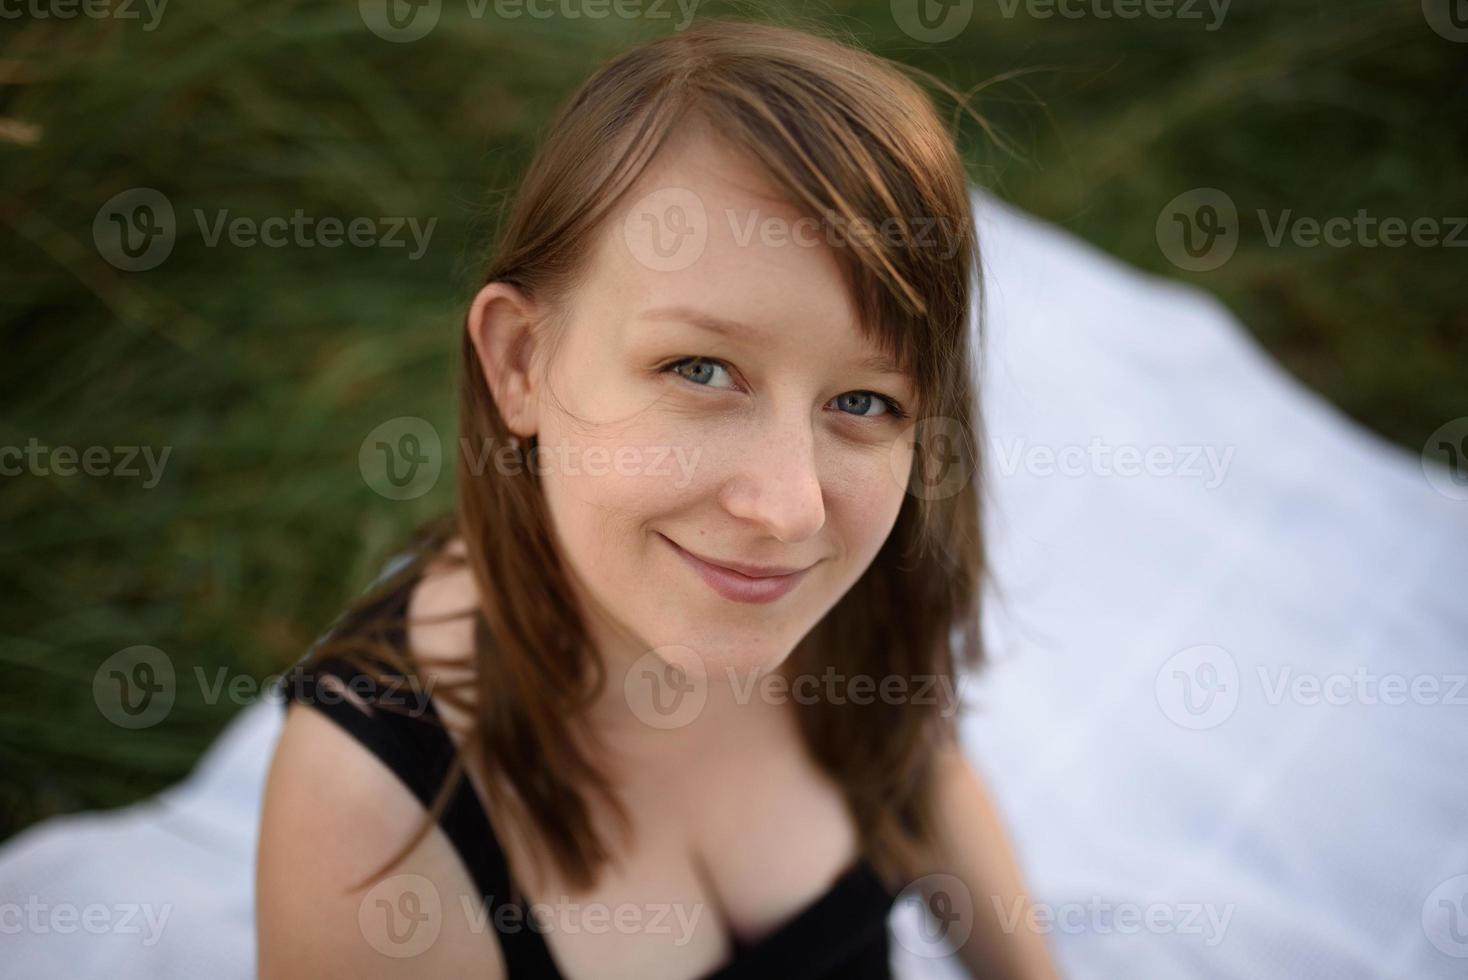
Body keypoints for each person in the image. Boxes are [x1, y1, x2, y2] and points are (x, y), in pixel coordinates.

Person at [256, 17, 1058, 980]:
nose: (789, 509)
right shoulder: (373, 809)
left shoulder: (848, 596)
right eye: (702, 368)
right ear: (521, 361)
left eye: (862, 401)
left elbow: (918, 772)